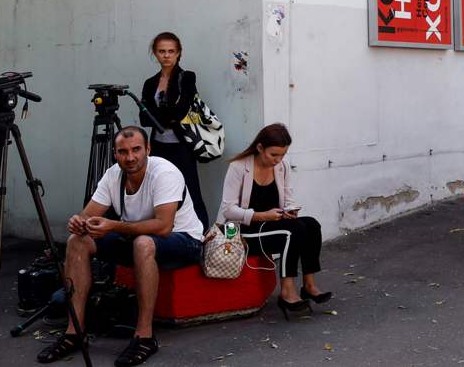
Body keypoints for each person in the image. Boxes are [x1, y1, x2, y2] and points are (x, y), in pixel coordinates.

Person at [36, 126, 203, 366]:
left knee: (144, 243)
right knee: (77, 242)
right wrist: (79, 222)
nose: (130, 157)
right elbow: (88, 214)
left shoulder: (165, 173)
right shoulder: (114, 174)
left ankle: (144, 336)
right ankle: (75, 333)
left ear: (148, 149)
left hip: (184, 241)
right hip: (136, 239)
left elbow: (163, 226)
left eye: (136, 150)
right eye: (123, 152)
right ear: (115, 153)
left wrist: (113, 226)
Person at [217, 123, 331, 320]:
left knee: (311, 224)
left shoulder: (282, 167)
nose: (278, 160)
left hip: (271, 226)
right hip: (242, 232)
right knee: (293, 230)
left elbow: (288, 198)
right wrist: (262, 215)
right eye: (274, 155)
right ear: (260, 148)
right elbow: (228, 209)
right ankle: (287, 291)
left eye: (282, 155)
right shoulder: (238, 167)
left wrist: (289, 211)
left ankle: (309, 285)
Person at [140, 31, 209, 230]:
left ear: (179, 53)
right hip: (158, 146)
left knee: (191, 190)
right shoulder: (150, 82)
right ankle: (166, 234)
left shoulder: (186, 77)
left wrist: (158, 114)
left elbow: (181, 111)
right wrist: (166, 114)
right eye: (162, 51)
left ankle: (202, 236)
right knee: (160, 191)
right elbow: (144, 119)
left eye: (171, 51)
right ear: (155, 53)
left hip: (182, 146)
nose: (166, 55)